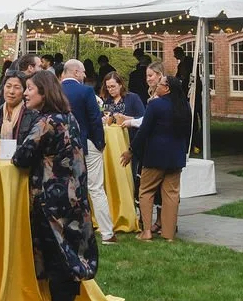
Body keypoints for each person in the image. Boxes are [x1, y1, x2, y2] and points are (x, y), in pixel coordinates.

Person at [13, 69, 98, 301]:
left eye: (29, 89)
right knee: (72, 254)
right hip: (75, 198)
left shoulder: (45, 121)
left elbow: (21, 157)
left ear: (43, 93)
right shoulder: (69, 118)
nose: (26, 93)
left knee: (56, 257)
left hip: (51, 200)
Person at [121, 65, 190, 241]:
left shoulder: (156, 105)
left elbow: (144, 131)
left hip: (155, 157)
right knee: (171, 194)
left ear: (166, 88)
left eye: (160, 83)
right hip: (176, 157)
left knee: (146, 192)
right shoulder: (185, 106)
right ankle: (168, 234)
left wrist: (131, 151)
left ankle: (146, 231)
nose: (157, 85)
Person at [60, 59, 115, 244]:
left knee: (67, 188)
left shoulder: (54, 90)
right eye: (83, 72)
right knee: (96, 187)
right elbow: (94, 119)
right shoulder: (86, 91)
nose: (85, 75)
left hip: (61, 145)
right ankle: (107, 233)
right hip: (86, 145)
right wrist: (100, 143)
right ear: (76, 72)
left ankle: (67, 232)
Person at [0, 71, 36, 142]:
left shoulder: (32, 116)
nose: (11, 91)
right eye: (8, 86)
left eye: (17, 87)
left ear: (24, 91)